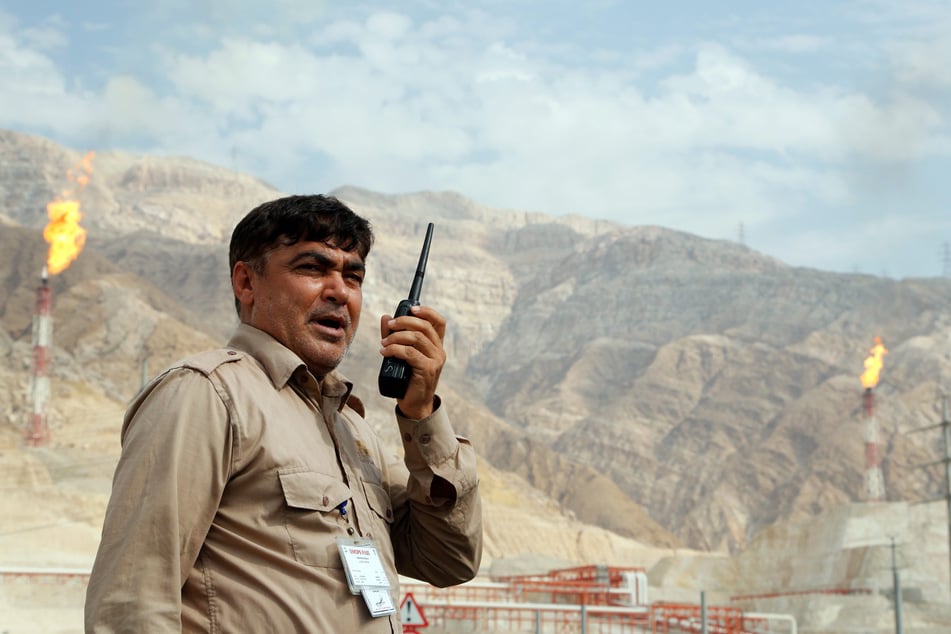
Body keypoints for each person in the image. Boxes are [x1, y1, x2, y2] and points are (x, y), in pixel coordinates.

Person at [85, 194, 483, 632]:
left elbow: (449, 561)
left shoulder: (352, 429)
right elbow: (132, 602)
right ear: (246, 283)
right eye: (312, 268)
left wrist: (421, 413)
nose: (339, 291)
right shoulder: (208, 394)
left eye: (354, 277)